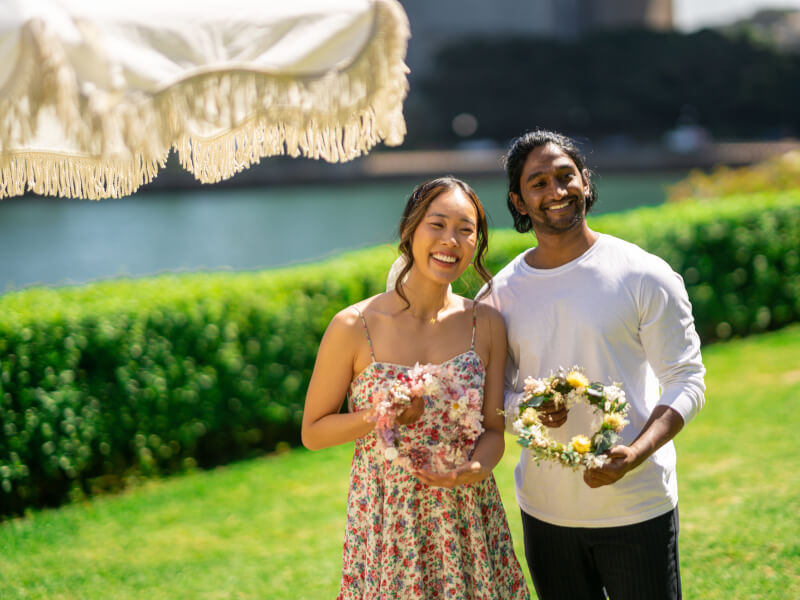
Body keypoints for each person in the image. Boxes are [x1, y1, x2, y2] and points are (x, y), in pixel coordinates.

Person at [481, 130, 706, 600]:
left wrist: (638, 452)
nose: (556, 192)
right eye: (538, 183)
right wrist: (528, 409)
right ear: (518, 202)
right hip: (545, 511)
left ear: (585, 182)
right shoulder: (500, 294)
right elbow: (493, 394)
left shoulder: (643, 274)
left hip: (636, 506)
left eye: (566, 177)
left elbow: (686, 378)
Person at [302, 177, 529, 599]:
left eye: (466, 229)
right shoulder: (354, 326)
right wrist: (379, 413)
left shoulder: (488, 324)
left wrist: (473, 470)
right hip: (389, 520)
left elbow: (493, 431)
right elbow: (313, 432)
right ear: (410, 230)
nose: (451, 241)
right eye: (437, 224)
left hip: (468, 515)